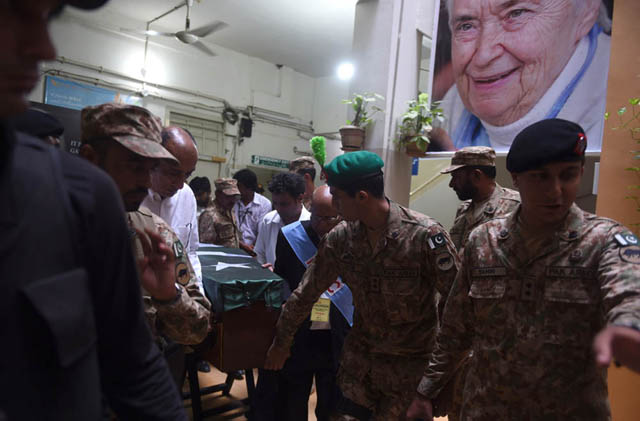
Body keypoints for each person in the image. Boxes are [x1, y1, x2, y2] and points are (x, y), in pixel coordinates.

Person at [0, 0, 186, 419]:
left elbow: (134, 362)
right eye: (14, 13)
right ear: (90, 155)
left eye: (48, 18)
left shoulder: (85, 200)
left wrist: (169, 295)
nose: (45, 46)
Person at [406, 119, 640, 420]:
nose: (555, 190)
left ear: (581, 172)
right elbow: (455, 330)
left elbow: (629, 291)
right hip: (485, 410)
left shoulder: (606, 241)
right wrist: (427, 390)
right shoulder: (484, 242)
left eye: (568, 175)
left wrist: (628, 325)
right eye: (540, 177)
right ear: (516, 179)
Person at [265, 151, 459, 420]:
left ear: (362, 196)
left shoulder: (425, 237)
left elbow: (460, 312)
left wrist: (443, 381)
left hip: (408, 378)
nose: (332, 202)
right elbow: (304, 294)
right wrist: (282, 342)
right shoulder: (341, 239)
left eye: (336, 195)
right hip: (359, 373)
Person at [79, 102, 211, 347]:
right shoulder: (42, 224)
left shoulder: (157, 231)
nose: (145, 180)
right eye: (135, 166)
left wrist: (169, 296)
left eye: (150, 168)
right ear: (91, 159)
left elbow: (198, 327)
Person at [436, 0, 609, 152]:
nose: (484, 56)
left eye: (516, 13)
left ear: (586, 10)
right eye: (466, 26)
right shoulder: (449, 109)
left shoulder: (623, 110)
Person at [273, 186, 351, 421]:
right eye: (317, 216)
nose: (321, 224)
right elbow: (282, 277)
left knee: (331, 403)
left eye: (329, 218)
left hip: (336, 334)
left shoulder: (351, 240)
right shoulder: (290, 235)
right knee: (293, 399)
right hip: (301, 332)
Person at [142, 125, 202, 288]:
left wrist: (198, 293)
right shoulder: (130, 195)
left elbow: (190, 253)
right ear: (152, 162)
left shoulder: (187, 195)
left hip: (173, 298)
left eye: (188, 174)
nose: (181, 185)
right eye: (173, 173)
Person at [442, 146, 520, 253]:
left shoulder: (515, 206)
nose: (451, 184)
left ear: (476, 175)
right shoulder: (464, 210)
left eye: (457, 177)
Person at [254, 172, 311, 266]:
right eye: (275, 203)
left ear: (300, 198)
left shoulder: (312, 224)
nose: (278, 209)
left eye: (284, 204)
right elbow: (260, 254)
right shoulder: (268, 220)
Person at [198, 178, 244, 247]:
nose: (232, 200)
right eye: (228, 196)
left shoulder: (230, 211)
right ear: (218, 194)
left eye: (235, 196)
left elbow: (230, 239)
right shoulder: (209, 215)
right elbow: (206, 247)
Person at [233, 168, 272, 249]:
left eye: (239, 186)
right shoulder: (233, 200)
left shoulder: (264, 204)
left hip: (254, 249)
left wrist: (253, 248)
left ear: (249, 187)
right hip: (234, 245)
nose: (236, 189)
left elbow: (262, 232)